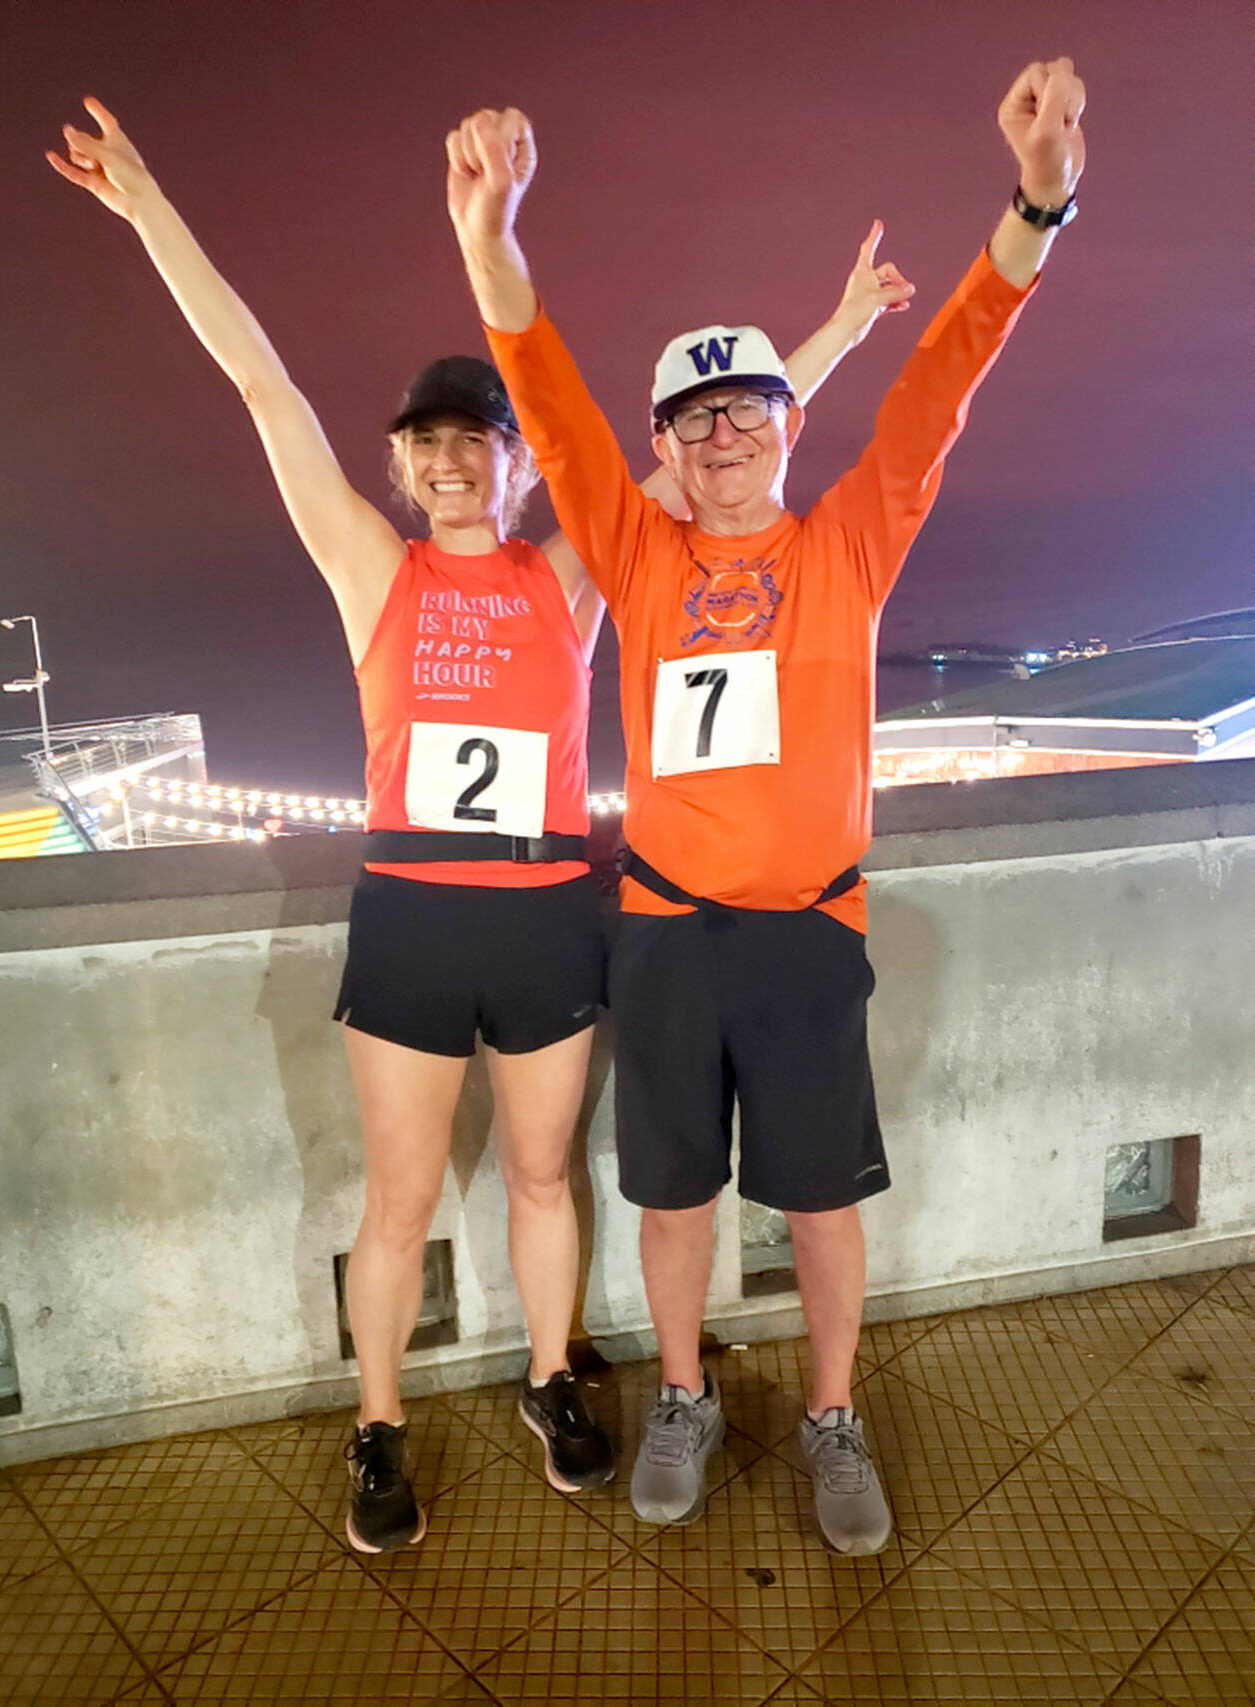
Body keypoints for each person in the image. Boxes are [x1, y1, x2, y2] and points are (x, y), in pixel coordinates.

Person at [46, 100, 902, 1553]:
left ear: (518, 466)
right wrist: (148, 215)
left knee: (539, 1176)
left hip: (555, 903)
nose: (452, 462)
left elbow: (713, 444)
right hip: (413, 913)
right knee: (394, 1201)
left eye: (479, 443)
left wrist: (826, 337)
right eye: (426, 443)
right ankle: (377, 1424)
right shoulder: (369, 566)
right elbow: (261, 385)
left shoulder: (570, 580)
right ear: (398, 464)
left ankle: (555, 1380)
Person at [446, 56, 1087, 1551]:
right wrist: (491, 243)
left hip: (807, 933)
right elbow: (541, 381)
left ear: (790, 429)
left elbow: (939, 384)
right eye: (695, 419)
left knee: (816, 1203)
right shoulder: (638, 548)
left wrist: (1038, 202)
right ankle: (683, 1393)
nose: (723, 435)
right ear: (661, 451)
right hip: (664, 933)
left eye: (750, 411)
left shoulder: (849, 546)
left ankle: (831, 1415)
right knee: (673, 1199)